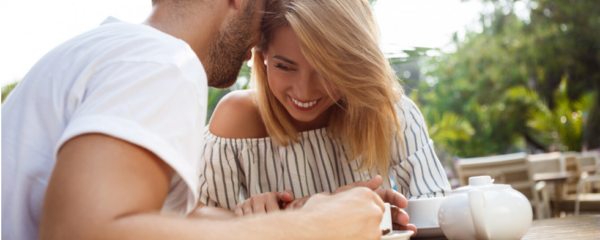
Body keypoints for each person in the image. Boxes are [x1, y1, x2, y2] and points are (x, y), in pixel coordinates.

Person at [1, 0, 388, 239]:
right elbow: (81, 233)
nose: (258, 42)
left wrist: (307, 210)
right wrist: (313, 231)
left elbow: (155, 223)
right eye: (263, 8)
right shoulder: (163, 61)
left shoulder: (106, 49)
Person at [200, 0, 452, 232]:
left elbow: (440, 214)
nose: (304, 91)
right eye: (284, 67)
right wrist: (264, 217)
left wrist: (388, 217)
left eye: (326, 69)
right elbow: (189, 223)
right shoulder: (236, 120)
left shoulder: (389, 113)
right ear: (262, 55)